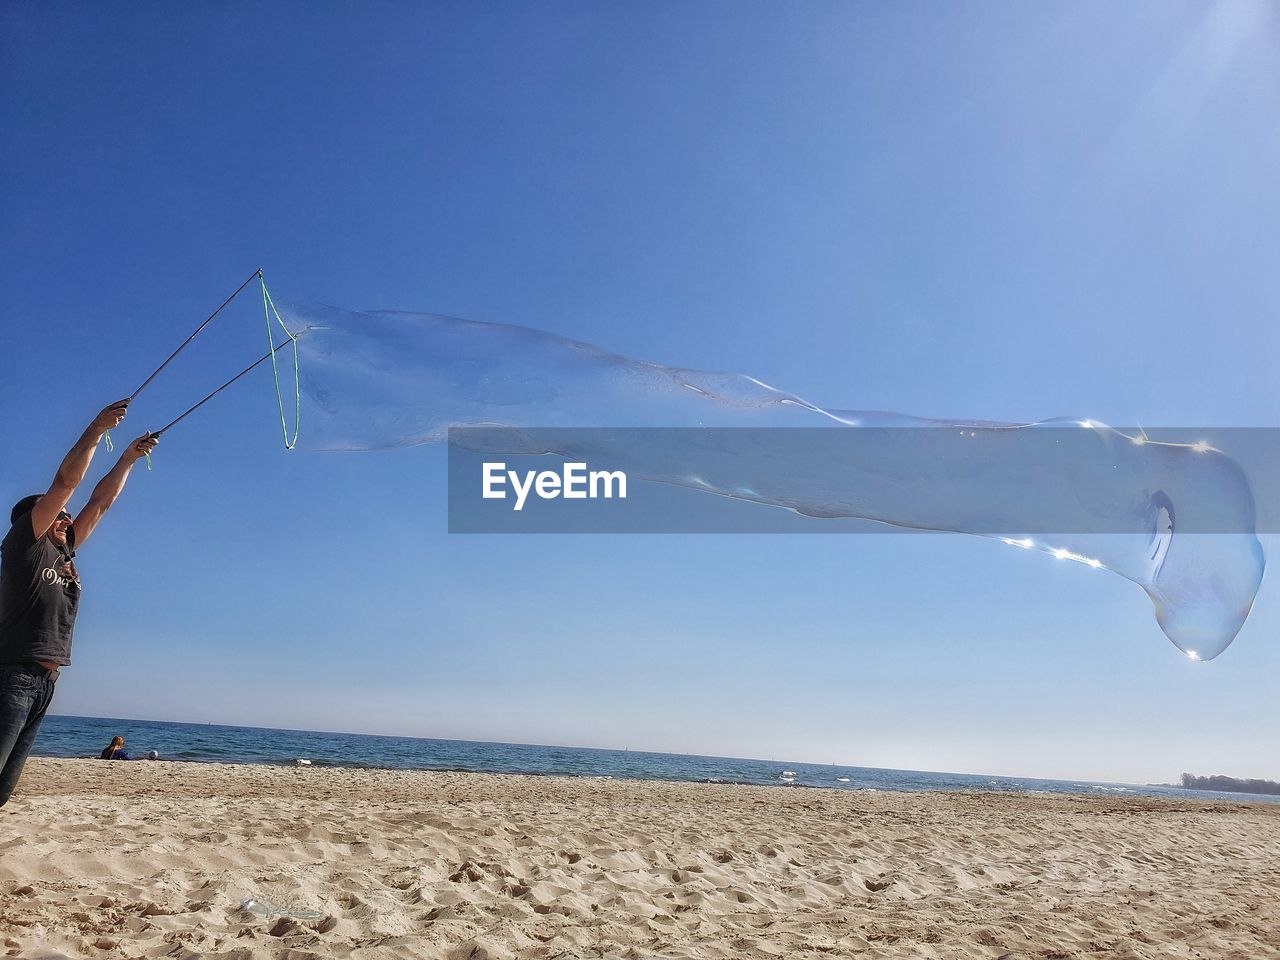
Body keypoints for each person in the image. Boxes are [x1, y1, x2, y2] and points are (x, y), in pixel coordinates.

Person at [0, 401, 158, 805]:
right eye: (59, 515)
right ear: (31, 520)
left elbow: (100, 503)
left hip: (44, 685)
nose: (68, 519)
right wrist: (96, 430)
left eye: (68, 516)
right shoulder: (25, 546)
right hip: (11, 677)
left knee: (2, 791)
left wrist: (127, 459)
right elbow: (66, 483)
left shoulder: (64, 554)